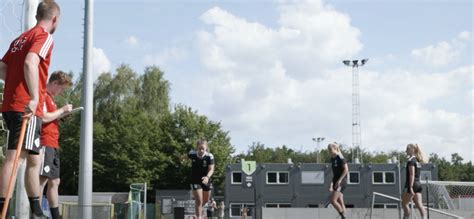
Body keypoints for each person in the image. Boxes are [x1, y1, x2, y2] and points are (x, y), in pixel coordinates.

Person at [0, 0, 61, 217]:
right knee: (15, 158)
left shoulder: (20, 38)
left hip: (12, 104)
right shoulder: (44, 36)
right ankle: (3, 211)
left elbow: (2, 68)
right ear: (54, 19)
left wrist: (16, 85)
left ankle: (36, 209)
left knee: (34, 158)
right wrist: (35, 96)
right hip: (26, 107)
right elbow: (30, 62)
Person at [38, 71, 72, 219]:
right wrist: (62, 110)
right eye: (62, 88)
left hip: (54, 143)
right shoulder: (43, 95)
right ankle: (36, 213)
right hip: (45, 142)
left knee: (55, 181)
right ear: (55, 83)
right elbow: (44, 117)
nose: (61, 92)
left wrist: (62, 115)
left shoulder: (51, 98)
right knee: (42, 180)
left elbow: (52, 116)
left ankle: (55, 216)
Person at [182, 140, 215, 219]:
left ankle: (198, 212)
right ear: (197, 148)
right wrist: (182, 160)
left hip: (206, 180)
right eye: (199, 148)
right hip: (195, 180)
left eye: (203, 148)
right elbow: (183, 157)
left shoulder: (209, 156)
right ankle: (198, 217)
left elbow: (211, 169)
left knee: (206, 200)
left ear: (206, 148)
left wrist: (207, 177)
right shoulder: (192, 154)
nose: (201, 150)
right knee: (199, 201)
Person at [402, 143, 427, 219]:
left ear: (412, 150)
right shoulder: (417, 161)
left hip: (412, 184)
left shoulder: (411, 161)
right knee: (419, 204)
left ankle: (406, 217)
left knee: (404, 204)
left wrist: (410, 187)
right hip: (418, 184)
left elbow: (412, 175)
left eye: (407, 149)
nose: (405, 151)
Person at [328, 142, 348, 219]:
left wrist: (340, 180)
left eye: (330, 149)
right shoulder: (332, 159)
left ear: (335, 148)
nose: (329, 151)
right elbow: (335, 173)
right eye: (328, 149)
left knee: (333, 201)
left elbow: (346, 170)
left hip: (341, 182)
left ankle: (343, 217)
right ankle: (344, 216)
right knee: (340, 201)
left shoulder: (340, 157)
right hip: (336, 181)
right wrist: (331, 183)